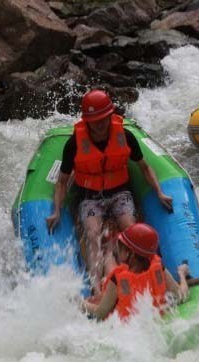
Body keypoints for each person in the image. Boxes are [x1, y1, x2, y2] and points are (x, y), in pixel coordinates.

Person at [46, 89, 173, 295]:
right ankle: (97, 289)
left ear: (109, 115)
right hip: (90, 197)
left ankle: (141, 277)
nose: (100, 124)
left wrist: (159, 192)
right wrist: (57, 211)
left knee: (130, 228)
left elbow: (144, 167)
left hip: (119, 192)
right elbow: (61, 182)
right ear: (87, 121)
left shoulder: (125, 136)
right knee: (92, 233)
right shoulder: (74, 144)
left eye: (103, 118)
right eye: (95, 120)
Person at [81, 223, 190, 321]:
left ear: (130, 254)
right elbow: (182, 295)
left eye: (120, 246)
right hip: (155, 321)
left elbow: (100, 313)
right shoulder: (158, 268)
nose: (118, 249)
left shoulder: (117, 279)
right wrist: (182, 275)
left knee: (108, 263)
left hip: (126, 329)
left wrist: (78, 303)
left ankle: (106, 253)